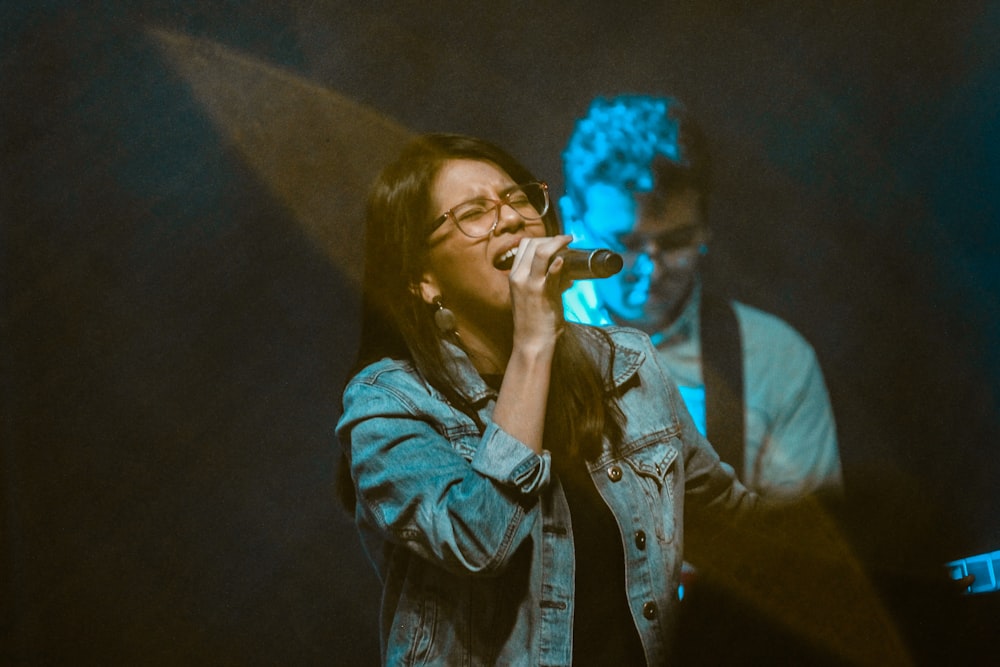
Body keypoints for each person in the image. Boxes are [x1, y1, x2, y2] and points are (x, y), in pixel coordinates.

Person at [335, 133, 759, 666]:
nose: (511, 219)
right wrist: (533, 344)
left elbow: (731, 526)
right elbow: (478, 542)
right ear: (423, 280)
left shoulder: (624, 366)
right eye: (474, 212)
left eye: (517, 199)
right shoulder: (388, 405)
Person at [561, 95, 842, 501]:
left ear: (706, 227)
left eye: (676, 242)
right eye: (626, 244)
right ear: (572, 220)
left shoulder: (775, 359)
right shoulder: (518, 347)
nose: (651, 270)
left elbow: (808, 551)